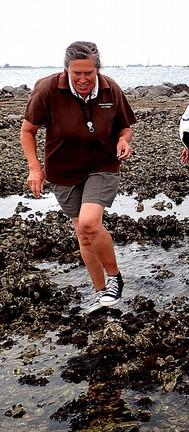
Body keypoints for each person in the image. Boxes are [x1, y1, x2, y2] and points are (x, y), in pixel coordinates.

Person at [20, 41, 136, 310]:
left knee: (89, 223)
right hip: (63, 171)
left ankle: (114, 277)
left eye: (89, 73)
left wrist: (124, 141)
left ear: (98, 70)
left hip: (102, 165)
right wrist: (35, 168)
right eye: (77, 74)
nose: (83, 79)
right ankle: (101, 292)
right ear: (66, 70)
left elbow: (125, 127)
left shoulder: (110, 88)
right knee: (83, 235)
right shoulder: (48, 90)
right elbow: (28, 131)